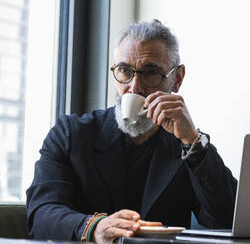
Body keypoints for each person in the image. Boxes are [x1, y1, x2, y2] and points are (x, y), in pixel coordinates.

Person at [26, 20, 237, 243]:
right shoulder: (70, 134)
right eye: (124, 71)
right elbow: (41, 214)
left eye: (151, 73)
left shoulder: (185, 145)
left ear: (177, 79)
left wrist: (192, 140)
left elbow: (228, 220)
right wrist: (93, 227)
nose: (135, 87)